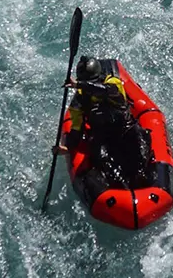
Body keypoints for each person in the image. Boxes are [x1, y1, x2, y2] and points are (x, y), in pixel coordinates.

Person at [60, 56, 150, 189]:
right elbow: (76, 128)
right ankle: (121, 186)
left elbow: (106, 90)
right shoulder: (79, 101)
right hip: (102, 137)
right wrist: (68, 147)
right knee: (102, 161)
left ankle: (141, 177)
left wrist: (79, 85)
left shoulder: (113, 82)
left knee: (141, 146)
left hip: (126, 129)